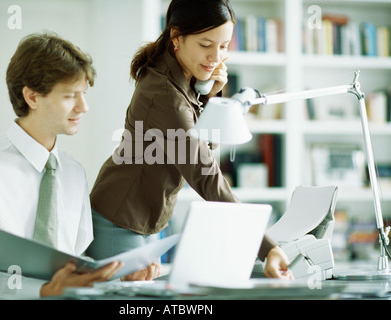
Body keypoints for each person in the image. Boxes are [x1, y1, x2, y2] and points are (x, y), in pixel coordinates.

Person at [0, 32, 157, 300]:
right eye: (70, 96)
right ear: (32, 97)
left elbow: (75, 265)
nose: (84, 107)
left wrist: (120, 276)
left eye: (84, 94)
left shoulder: (73, 172)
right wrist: (42, 292)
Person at [88, 0, 292, 279]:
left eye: (223, 46)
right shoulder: (165, 95)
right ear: (177, 37)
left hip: (145, 220)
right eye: (206, 45)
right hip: (118, 220)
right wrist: (267, 248)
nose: (216, 57)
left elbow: (205, 144)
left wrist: (210, 93)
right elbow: (204, 172)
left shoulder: (181, 78)